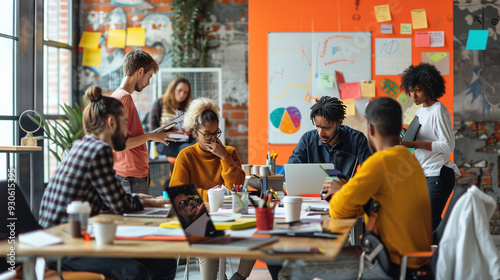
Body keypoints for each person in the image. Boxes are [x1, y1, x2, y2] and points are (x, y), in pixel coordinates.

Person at [279, 97, 432, 280]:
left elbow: (338, 210)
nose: (321, 132)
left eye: (326, 127)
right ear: (400, 127)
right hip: (415, 261)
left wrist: (341, 190)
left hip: (387, 263)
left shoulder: (379, 163)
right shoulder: (410, 161)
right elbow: (376, 203)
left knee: (290, 269)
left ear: (371, 129)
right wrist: (351, 193)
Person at [39, 86, 177, 280]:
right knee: (141, 270)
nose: (127, 131)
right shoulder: (100, 150)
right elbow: (119, 205)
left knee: (163, 262)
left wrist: (136, 198)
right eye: (125, 123)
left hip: (57, 240)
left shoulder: (82, 145)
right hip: (66, 248)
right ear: (112, 122)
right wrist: (150, 202)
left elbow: (107, 198)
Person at [169, 97, 252, 280]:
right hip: (198, 215)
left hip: (227, 214)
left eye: (216, 133)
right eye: (207, 134)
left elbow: (236, 187)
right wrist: (213, 194)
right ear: (195, 132)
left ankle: (238, 276)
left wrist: (224, 158)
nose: (213, 138)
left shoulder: (228, 152)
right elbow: (179, 196)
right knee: (208, 238)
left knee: (258, 231)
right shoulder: (186, 155)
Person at [400, 62, 460, 230]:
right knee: (427, 222)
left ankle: (443, 253)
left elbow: (448, 145)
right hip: (425, 173)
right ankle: (441, 252)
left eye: (418, 90)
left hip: (439, 173)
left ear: (429, 87)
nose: (413, 95)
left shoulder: (438, 110)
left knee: (429, 222)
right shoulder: (420, 111)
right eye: (411, 90)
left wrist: (413, 144)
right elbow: (416, 137)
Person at [111, 49, 175, 194]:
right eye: (149, 76)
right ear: (140, 72)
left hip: (131, 173)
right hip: (130, 175)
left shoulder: (119, 96)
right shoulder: (124, 98)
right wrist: (151, 136)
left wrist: (153, 135)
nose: (148, 83)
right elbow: (119, 144)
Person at [288, 96, 372, 179]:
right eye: (318, 127)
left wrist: (345, 185)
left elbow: (372, 172)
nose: (321, 134)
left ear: (339, 122)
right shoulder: (307, 140)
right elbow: (290, 174)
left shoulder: (357, 139)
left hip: (346, 191)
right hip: (314, 192)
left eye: (327, 128)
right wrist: (287, 184)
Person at [150, 77, 194, 158]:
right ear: (173, 89)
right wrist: (165, 126)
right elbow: (153, 129)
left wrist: (188, 131)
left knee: (190, 150)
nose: (182, 95)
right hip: (164, 143)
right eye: (179, 90)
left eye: (185, 92)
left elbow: (190, 133)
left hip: (182, 142)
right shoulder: (160, 103)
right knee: (188, 151)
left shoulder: (187, 108)